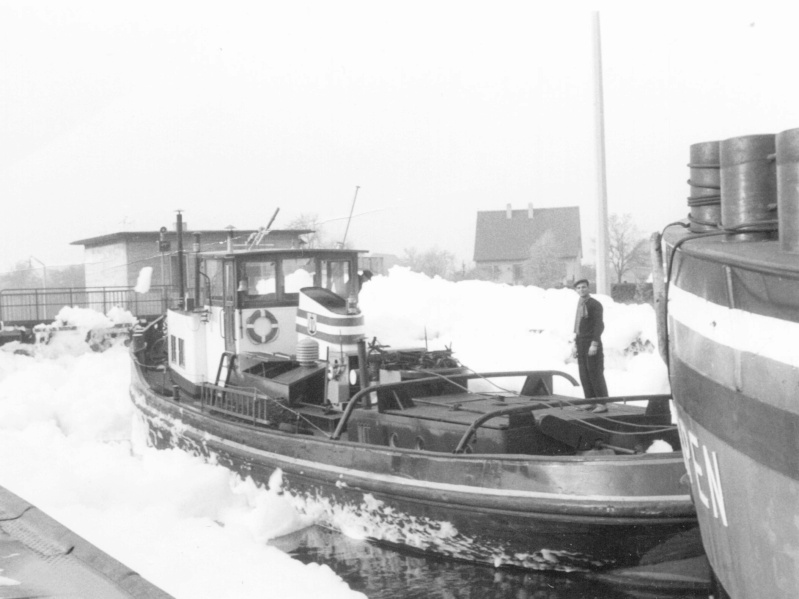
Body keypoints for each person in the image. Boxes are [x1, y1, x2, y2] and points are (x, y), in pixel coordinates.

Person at [572, 279, 609, 412]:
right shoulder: (580, 304)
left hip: (592, 342)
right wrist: (575, 345)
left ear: (588, 288)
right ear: (576, 290)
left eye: (584, 287)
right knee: (584, 373)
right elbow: (578, 327)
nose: (581, 290)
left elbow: (599, 325)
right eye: (579, 288)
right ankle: (590, 401)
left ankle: (602, 403)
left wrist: (594, 343)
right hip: (581, 343)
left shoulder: (595, 304)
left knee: (595, 372)